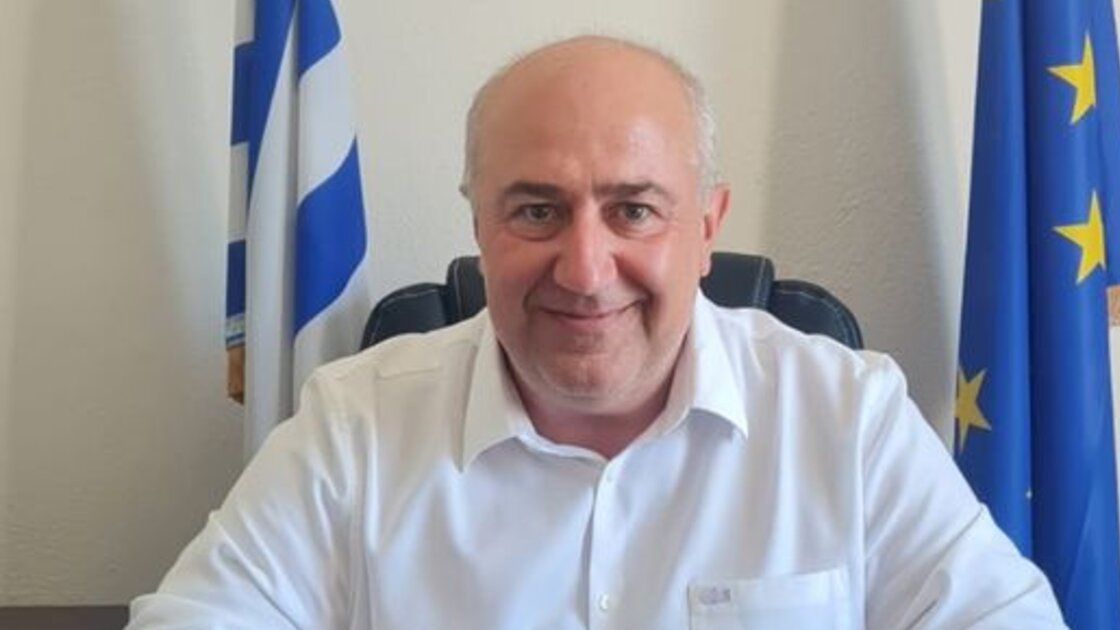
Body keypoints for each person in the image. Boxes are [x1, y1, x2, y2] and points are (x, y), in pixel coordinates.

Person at [127, 36, 1066, 628]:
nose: (584, 269)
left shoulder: (847, 416)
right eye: (536, 211)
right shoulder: (356, 425)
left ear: (707, 228)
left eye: (634, 211)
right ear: (480, 226)